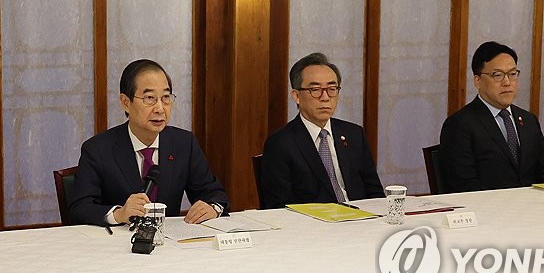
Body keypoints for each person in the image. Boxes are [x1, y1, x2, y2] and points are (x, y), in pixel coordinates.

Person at [68, 59, 228, 226]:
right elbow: (79, 209)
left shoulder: (183, 143)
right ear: (125, 102)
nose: (160, 108)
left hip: (169, 245)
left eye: (166, 97)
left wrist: (212, 207)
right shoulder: (98, 149)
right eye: (149, 98)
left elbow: (214, 194)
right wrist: (119, 214)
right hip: (117, 245)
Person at [259, 53, 384, 208]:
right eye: (315, 89)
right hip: (312, 226)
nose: (325, 97)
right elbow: (277, 207)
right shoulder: (281, 143)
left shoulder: (354, 134)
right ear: (296, 96)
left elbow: (376, 195)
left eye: (332, 89)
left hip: (361, 222)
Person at [440, 42, 544, 192]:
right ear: (478, 81)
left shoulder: (528, 120)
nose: (507, 82)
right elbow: (464, 185)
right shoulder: (459, 125)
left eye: (512, 74)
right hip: (486, 210)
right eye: (498, 75)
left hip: (532, 209)